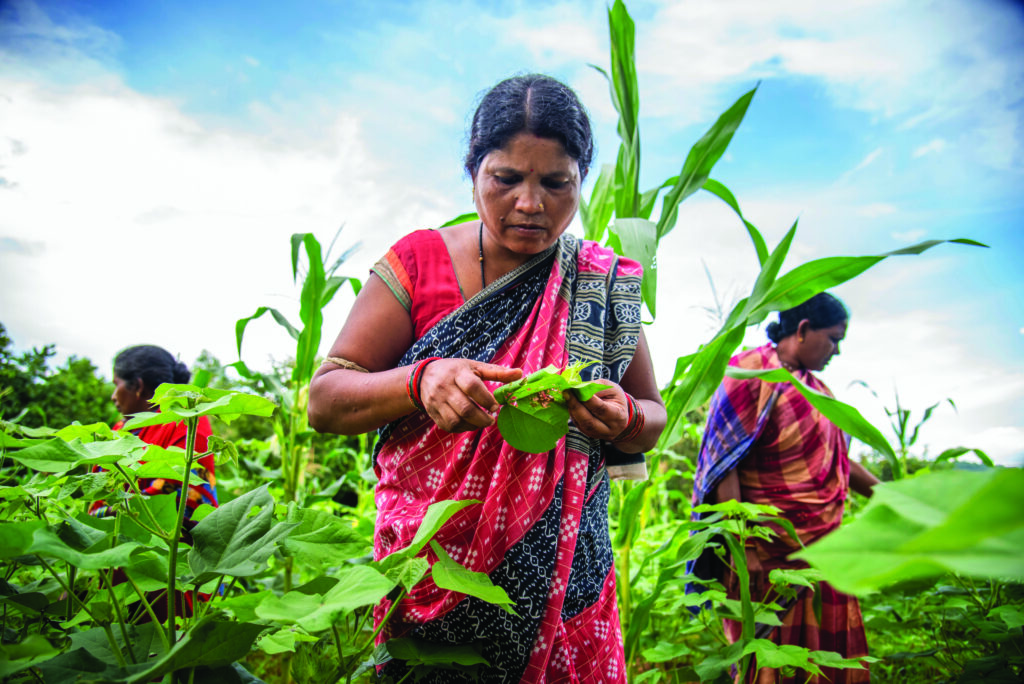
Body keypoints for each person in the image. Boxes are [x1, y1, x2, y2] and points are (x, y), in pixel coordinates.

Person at [309, 74, 666, 683]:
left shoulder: (596, 283)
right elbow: (325, 399)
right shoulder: (419, 263)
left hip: (566, 574)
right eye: (506, 179)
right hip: (433, 568)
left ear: (580, 182)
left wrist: (625, 418)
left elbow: (651, 415)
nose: (531, 204)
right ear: (474, 173)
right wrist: (420, 380)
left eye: (556, 183)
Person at [691, 292, 878, 684]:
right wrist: (745, 548)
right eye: (834, 338)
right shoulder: (750, 373)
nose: (837, 351)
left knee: (827, 664)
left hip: (824, 554)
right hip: (766, 557)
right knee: (769, 664)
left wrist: (893, 496)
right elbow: (726, 463)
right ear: (804, 330)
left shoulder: (820, 392)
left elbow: (841, 461)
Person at [93, 345, 218, 521]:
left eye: (116, 384)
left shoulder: (187, 419)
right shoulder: (118, 429)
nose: (113, 396)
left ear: (137, 385)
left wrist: (101, 516)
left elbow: (181, 494)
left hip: (166, 542)